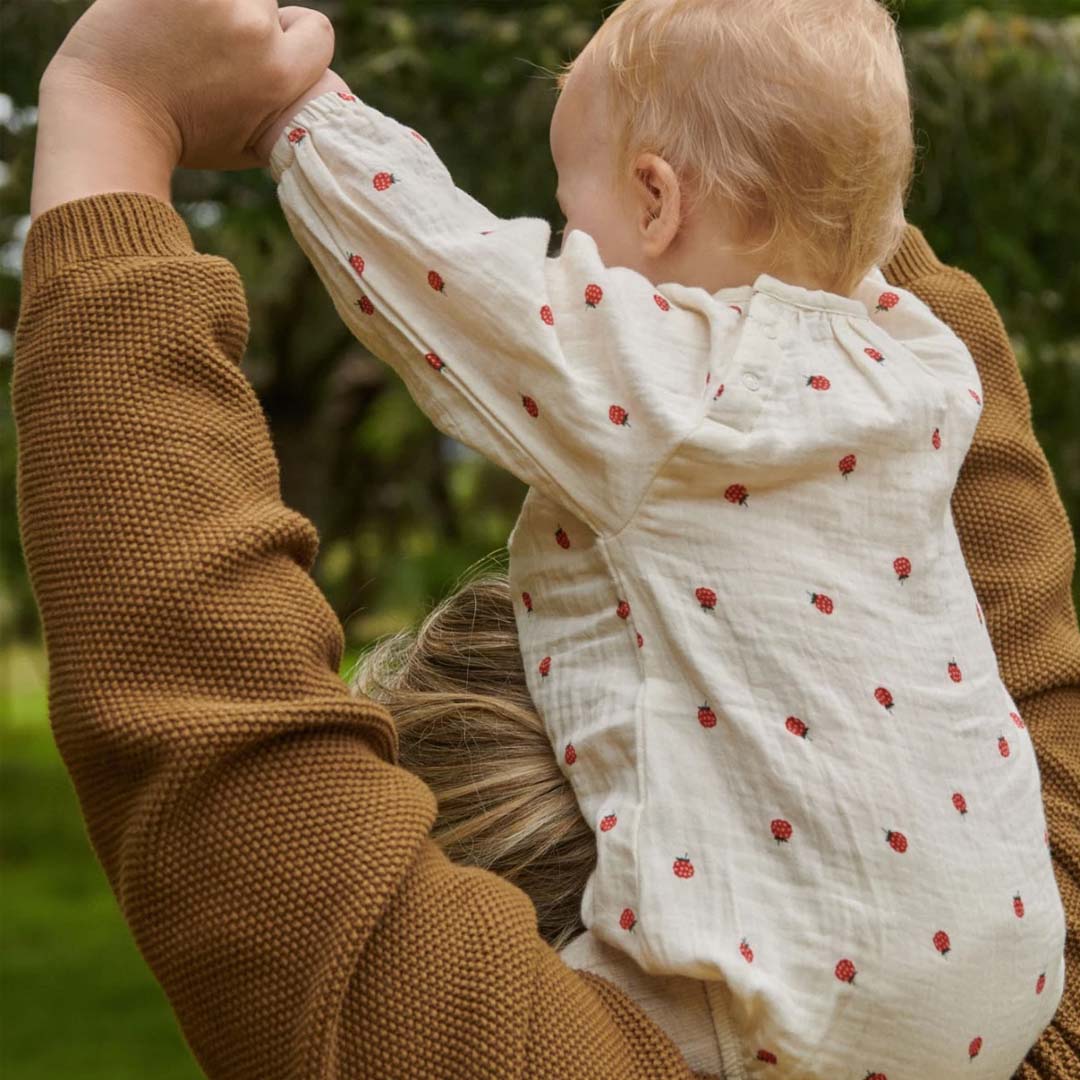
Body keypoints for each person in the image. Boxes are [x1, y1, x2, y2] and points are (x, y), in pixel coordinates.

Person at [14, 1, 1079, 1078]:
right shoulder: (924, 369)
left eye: (572, 219)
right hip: (1013, 976)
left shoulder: (686, 397)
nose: (570, 258)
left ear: (659, 200)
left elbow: (457, 275)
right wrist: (807, 150)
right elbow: (1021, 609)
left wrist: (286, 113)